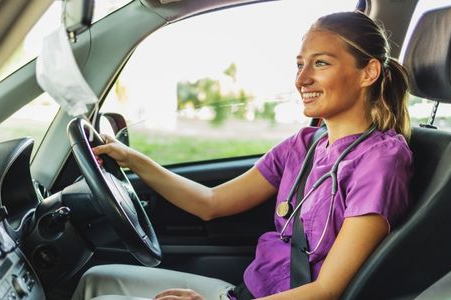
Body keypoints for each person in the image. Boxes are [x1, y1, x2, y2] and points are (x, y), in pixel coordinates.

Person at [73, 10, 413, 300]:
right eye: (299, 65)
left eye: (320, 63)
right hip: (244, 292)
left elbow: (326, 290)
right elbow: (211, 202)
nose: (301, 79)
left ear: (368, 72)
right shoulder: (304, 144)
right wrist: (131, 159)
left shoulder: (380, 161)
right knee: (94, 280)